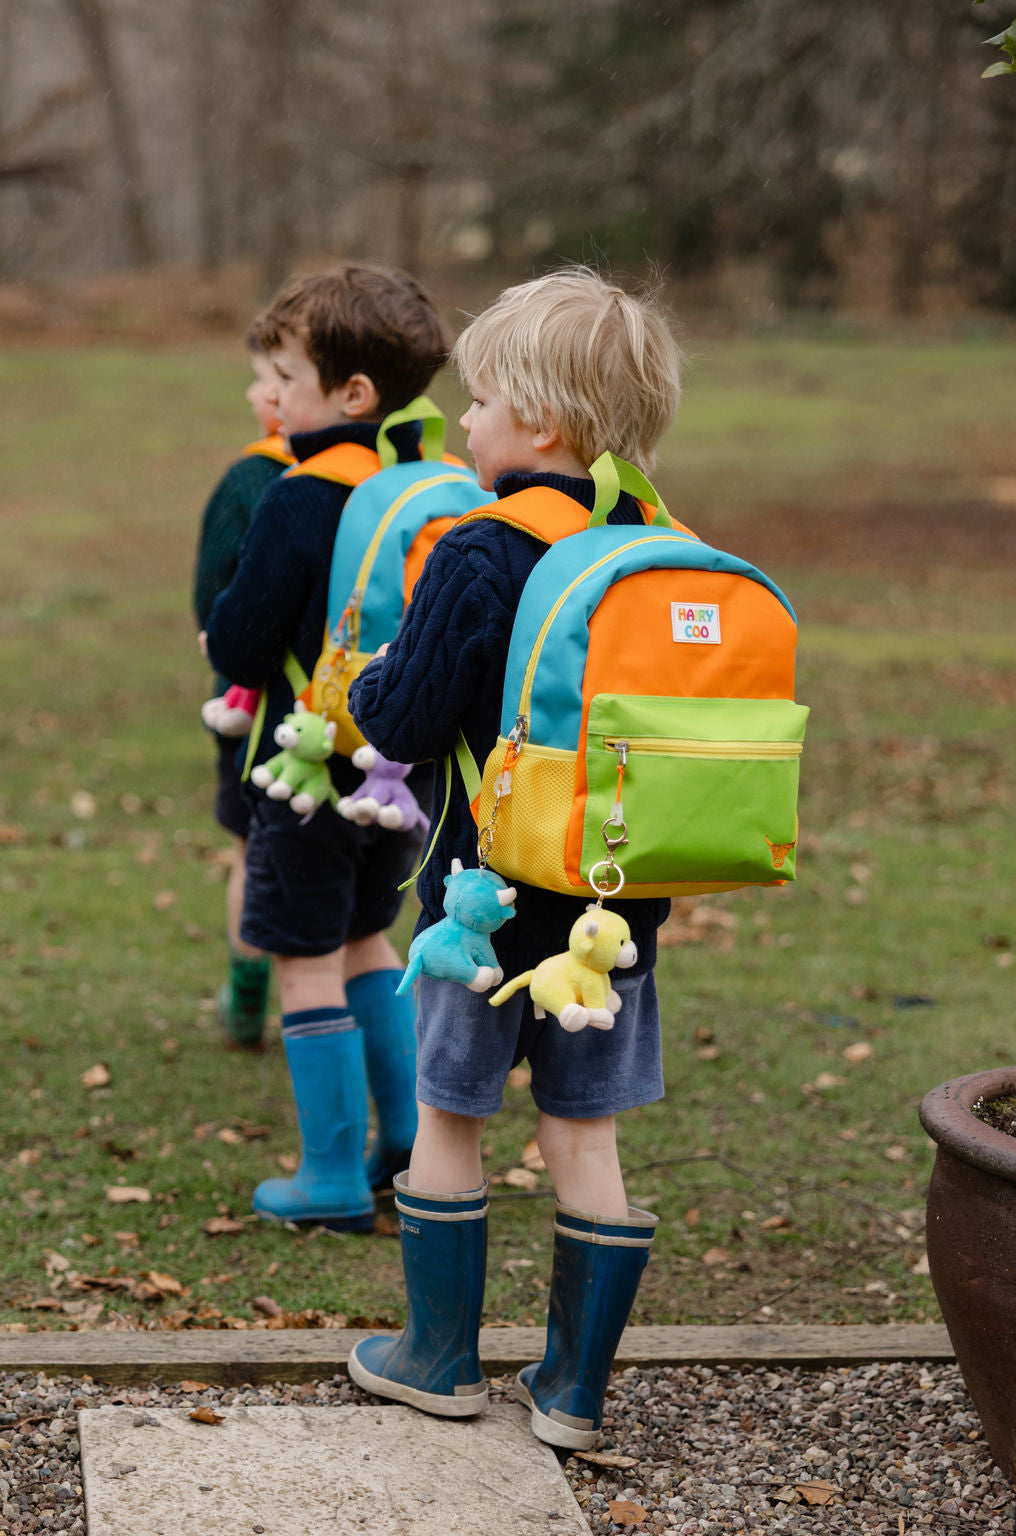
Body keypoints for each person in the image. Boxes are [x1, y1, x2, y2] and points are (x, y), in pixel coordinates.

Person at [346, 268, 683, 1449]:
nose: (466, 419)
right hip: (612, 919)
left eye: (481, 398)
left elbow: (402, 717)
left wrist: (380, 670)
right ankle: (572, 1394)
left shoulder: (481, 548)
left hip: (477, 916)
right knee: (585, 1140)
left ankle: (435, 1358)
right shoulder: (650, 544)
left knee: (450, 1120)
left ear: (538, 422)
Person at [201, 266, 451, 1232]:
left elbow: (240, 643)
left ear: (351, 393)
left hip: (302, 771)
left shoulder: (303, 496)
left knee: (304, 959)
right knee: (366, 942)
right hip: (396, 775)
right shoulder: (427, 482)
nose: (277, 401)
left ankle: (331, 1176)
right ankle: (405, 1142)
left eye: (290, 379)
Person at [193, 324, 293, 1049]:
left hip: (252, 706)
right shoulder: (392, 476)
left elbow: (211, 596)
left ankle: (247, 998)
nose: (256, 393)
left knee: (250, 850)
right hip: (352, 715)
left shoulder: (250, 480)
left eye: (270, 380)